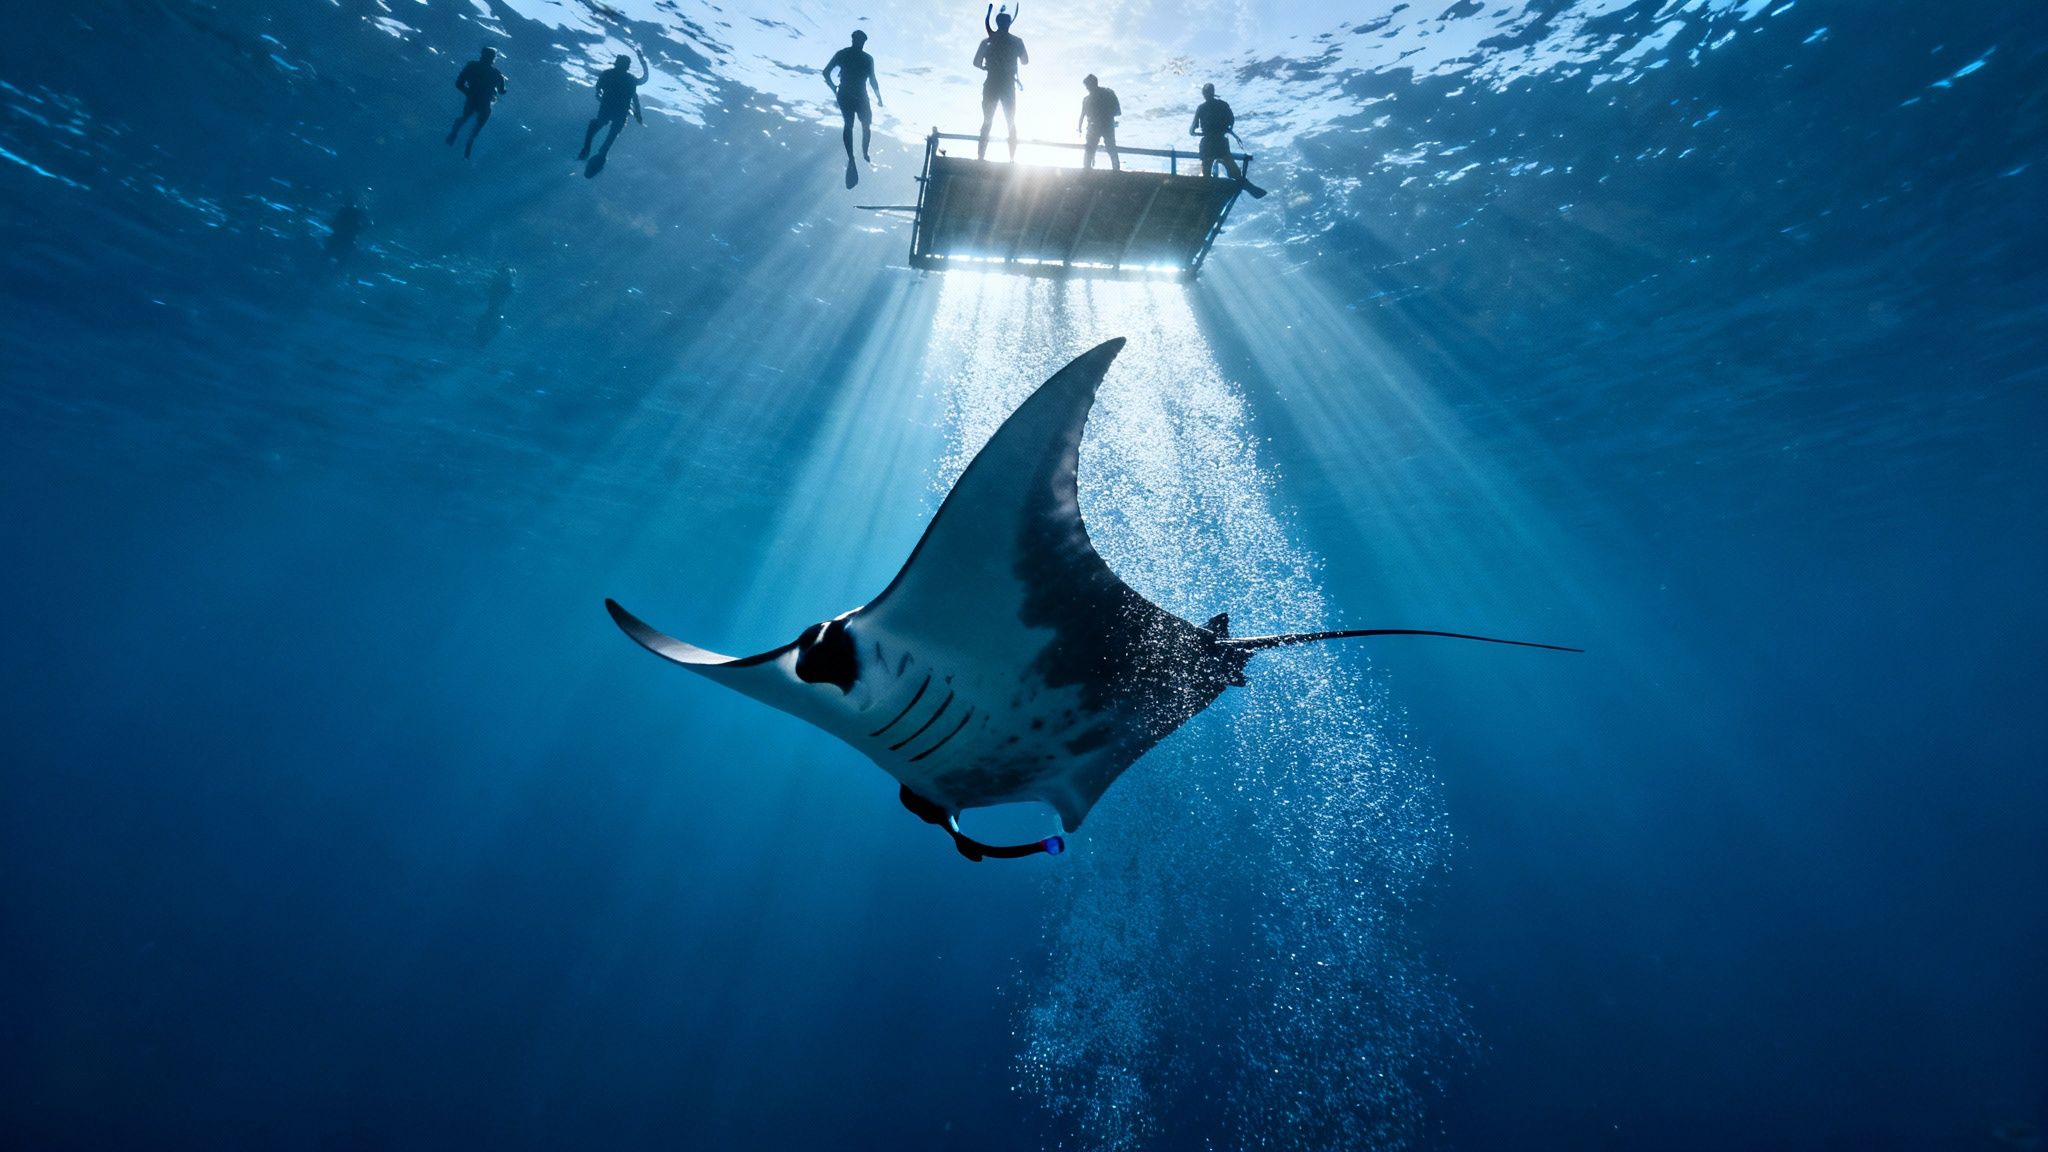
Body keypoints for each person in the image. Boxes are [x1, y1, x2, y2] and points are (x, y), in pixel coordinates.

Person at [823, 30, 883, 189]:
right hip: (853, 95)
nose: (860, 43)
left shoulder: (847, 55)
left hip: (849, 94)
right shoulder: (864, 58)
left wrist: (833, 88)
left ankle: (860, 154)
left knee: (854, 124)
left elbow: (826, 72)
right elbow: (873, 81)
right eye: (860, 40)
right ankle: (858, 155)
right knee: (857, 125)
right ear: (856, 40)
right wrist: (833, 88)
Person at [1189, 82, 1265, 198]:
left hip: (1208, 143)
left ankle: (1205, 194)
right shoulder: (1224, 105)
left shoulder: (1201, 108)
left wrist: (1198, 133)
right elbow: (1231, 122)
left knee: (1207, 171)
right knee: (1233, 170)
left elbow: (1191, 130)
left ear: (1204, 94)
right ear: (1213, 92)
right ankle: (1247, 186)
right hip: (1221, 142)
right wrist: (1224, 129)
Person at [578, 51, 647, 177]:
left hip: (608, 108)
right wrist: (638, 114)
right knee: (611, 133)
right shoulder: (629, 79)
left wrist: (638, 113)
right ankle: (595, 151)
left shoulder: (608, 74)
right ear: (627, 67)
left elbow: (598, 90)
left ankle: (588, 148)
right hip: (620, 111)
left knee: (599, 125)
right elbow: (635, 95)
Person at [973, 5, 1027, 161]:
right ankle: (1011, 159)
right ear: (1009, 23)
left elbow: (976, 62)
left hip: (991, 83)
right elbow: (1025, 61)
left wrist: (987, 66)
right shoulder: (1017, 41)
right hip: (1008, 85)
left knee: (987, 121)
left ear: (996, 23)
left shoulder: (987, 41)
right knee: (1010, 121)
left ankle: (980, 157)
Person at [446, 46, 507, 158]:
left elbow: (459, 84)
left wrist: (469, 92)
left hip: (473, 99)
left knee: (464, 118)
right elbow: (502, 91)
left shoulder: (472, 66)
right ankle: (468, 141)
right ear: (494, 58)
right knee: (478, 125)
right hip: (485, 102)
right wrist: (503, 81)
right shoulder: (497, 73)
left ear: (482, 55)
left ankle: (454, 134)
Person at [1076, 73, 1120, 171]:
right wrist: (1079, 127)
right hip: (1104, 125)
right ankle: (1115, 169)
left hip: (1099, 125)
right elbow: (1083, 114)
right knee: (1108, 147)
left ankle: (1087, 169)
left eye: (1087, 86)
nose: (1087, 88)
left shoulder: (1090, 98)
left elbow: (1083, 114)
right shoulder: (1106, 94)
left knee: (1096, 147)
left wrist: (1080, 126)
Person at [325, 194, 367, 263]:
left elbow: (335, 224)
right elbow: (365, 225)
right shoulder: (357, 212)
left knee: (327, 257)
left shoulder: (343, 210)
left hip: (338, 238)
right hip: (347, 240)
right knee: (341, 261)